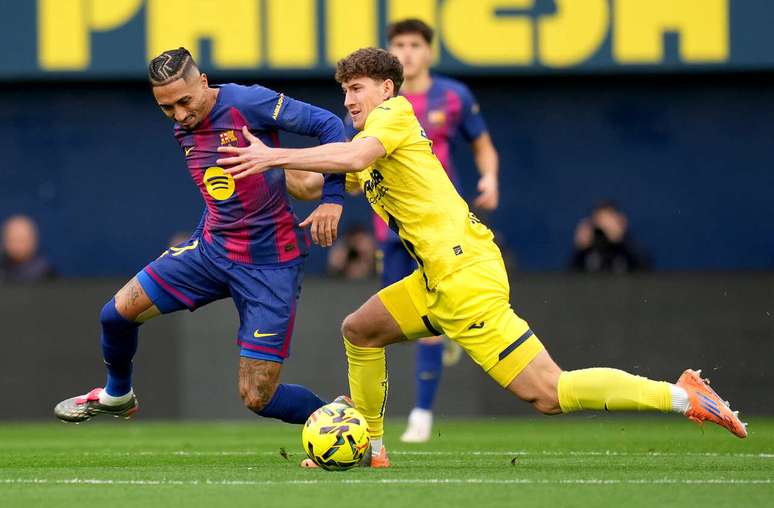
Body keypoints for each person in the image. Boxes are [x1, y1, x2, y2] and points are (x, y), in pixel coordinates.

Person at [216, 48, 748, 468]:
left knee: (548, 392)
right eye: (344, 91)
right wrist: (258, 152)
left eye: (356, 89)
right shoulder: (370, 138)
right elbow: (316, 181)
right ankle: (373, 447)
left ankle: (680, 397)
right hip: (439, 277)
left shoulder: (394, 117)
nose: (349, 100)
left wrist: (273, 153)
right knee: (361, 329)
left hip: (465, 273)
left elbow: (351, 157)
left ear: (386, 87)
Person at [54, 47, 347, 426]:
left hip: (270, 265)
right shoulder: (184, 125)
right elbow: (219, 194)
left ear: (203, 82)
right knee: (115, 315)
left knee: (258, 396)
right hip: (210, 253)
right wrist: (195, 241)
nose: (179, 114)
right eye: (166, 107)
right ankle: (118, 395)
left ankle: (343, 416)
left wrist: (332, 200)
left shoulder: (247, 101)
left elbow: (330, 126)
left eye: (184, 101)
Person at [382, 18, 500, 442]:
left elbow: (482, 146)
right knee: (390, 320)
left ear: (429, 51)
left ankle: (422, 413)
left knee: (428, 318)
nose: (408, 53)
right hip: (392, 230)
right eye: (400, 44)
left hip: (441, 228)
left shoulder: (453, 95)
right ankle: (376, 413)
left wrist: (490, 178)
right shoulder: (379, 101)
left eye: (415, 44)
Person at [571, 200, 649, 273]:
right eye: (600, 223)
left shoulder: (629, 252)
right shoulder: (587, 255)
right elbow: (571, 280)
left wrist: (620, 240)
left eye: (608, 223)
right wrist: (580, 249)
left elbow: (645, 274)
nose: (604, 229)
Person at [0, 214, 54, 283]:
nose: (17, 245)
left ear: (33, 241)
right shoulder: (3, 269)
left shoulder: (44, 272)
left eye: (22, 240)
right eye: (12, 239)